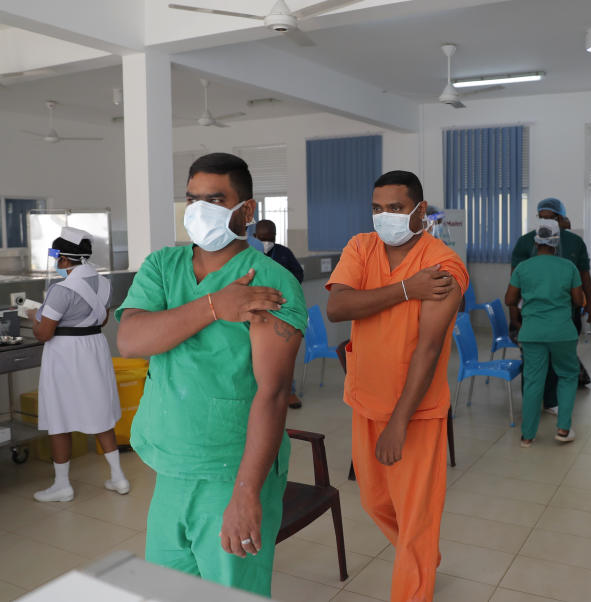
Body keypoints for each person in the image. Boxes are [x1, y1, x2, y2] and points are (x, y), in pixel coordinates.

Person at [115, 152, 307, 598]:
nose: (199, 210)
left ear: (247, 210)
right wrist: (214, 307)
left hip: (232, 469)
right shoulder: (164, 267)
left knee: (230, 591)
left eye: (215, 199)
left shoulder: (270, 283)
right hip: (171, 463)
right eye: (192, 199)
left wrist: (245, 493)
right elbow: (131, 339)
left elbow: (274, 394)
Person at [326, 170, 467, 602]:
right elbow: (337, 307)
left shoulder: (443, 265)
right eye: (377, 208)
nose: (384, 216)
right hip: (365, 398)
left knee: (416, 517)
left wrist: (400, 422)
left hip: (416, 412)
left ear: (421, 211)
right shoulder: (361, 246)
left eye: (395, 208)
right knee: (374, 501)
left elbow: (428, 350)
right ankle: (422, 555)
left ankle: (416, 571)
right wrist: (406, 289)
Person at [29, 227, 129, 502]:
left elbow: (44, 333)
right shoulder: (105, 283)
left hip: (65, 352)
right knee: (100, 410)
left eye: (56, 257)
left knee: (59, 415)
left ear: (63, 260)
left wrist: (32, 316)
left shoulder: (60, 289)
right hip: (94, 348)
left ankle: (62, 485)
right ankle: (118, 477)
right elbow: (103, 320)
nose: (55, 263)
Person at [510, 198, 591, 415]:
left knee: (558, 361)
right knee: (532, 363)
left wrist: (590, 305)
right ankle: (531, 406)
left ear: (562, 218)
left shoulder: (574, 243)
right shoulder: (525, 242)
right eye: (543, 217)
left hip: (564, 316)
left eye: (552, 217)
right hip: (532, 316)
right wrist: (514, 318)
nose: (547, 221)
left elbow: (585, 276)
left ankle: (551, 400)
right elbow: (513, 287)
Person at [506, 219, 585, 447]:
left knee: (533, 381)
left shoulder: (523, 268)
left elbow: (509, 299)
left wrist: (530, 297)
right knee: (568, 376)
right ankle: (563, 429)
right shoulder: (568, 267)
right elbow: (578, 300)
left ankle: (527, 436)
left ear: (535, 240)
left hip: (532, 333)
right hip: (562, 332)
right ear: (556, 241)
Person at [250, 219, 304, 409]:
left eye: (270, 237)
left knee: (282, 358)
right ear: (255, 236)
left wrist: (284, 290)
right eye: (263, 238)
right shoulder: (249, 253)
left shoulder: (283, 253)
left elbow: (298, 275)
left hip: (280, 311)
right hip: (255, 310)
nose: (267, 241)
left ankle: (289, 392)